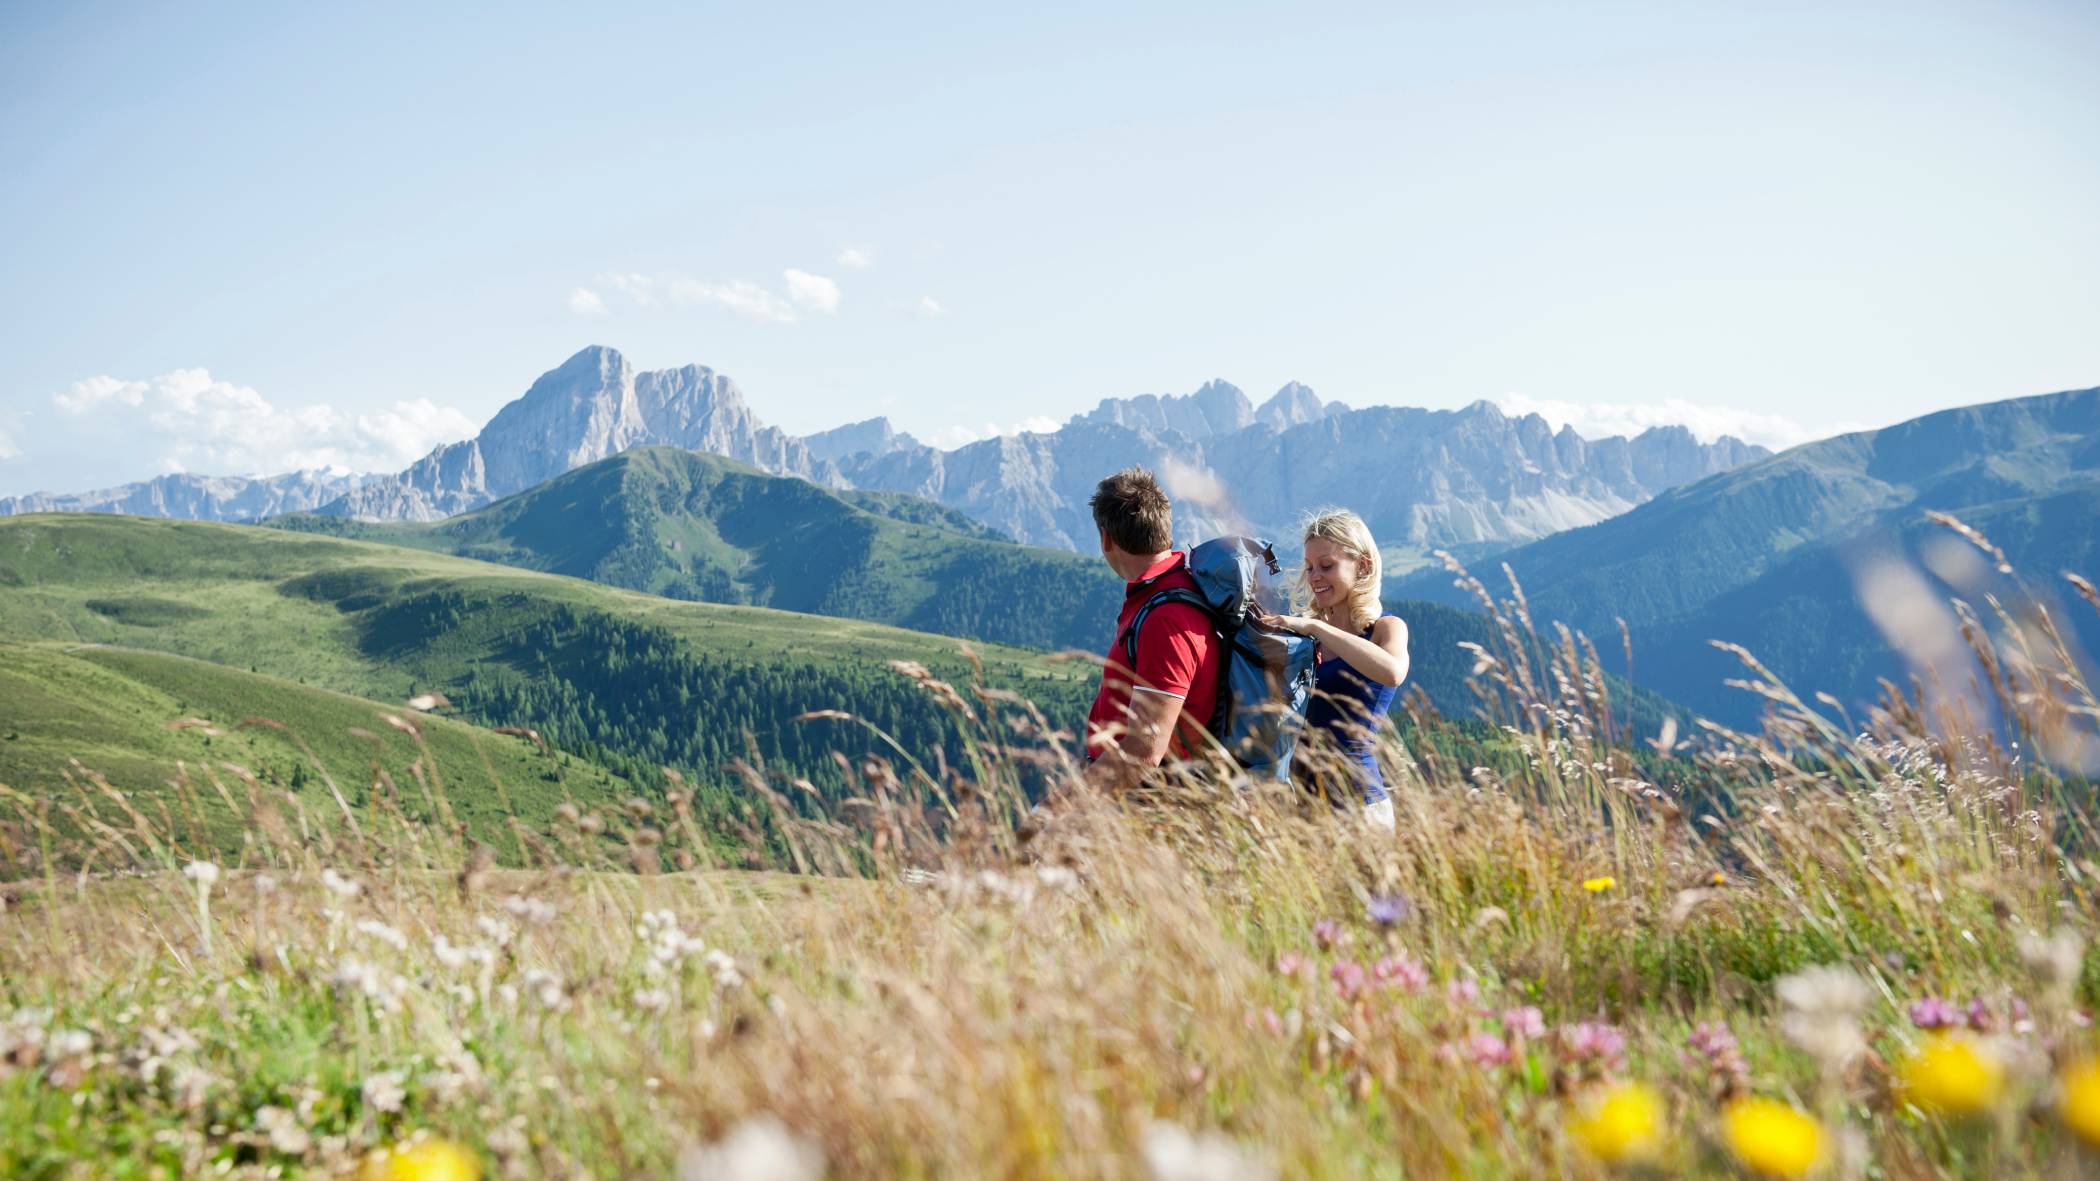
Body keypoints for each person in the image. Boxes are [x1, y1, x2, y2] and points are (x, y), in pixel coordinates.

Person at [1256, 508, 1408, 829]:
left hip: (1359, 806)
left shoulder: (1386, 629)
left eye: (1326, 566)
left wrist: (1317, 629)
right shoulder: (1305, 640)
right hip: (1305, 804)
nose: (1314, 578)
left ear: (1362, 565)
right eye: (1309, 568)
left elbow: (1393, 672)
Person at [1080, 467, 1222, 794]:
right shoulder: (1166, 592)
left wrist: (1052, 812)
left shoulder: (1166, 616)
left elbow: (1144, 752)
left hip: (1146, 803)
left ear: (1106, 539)